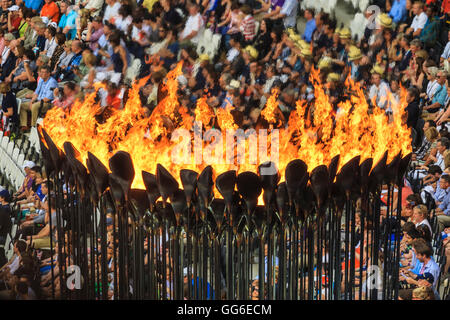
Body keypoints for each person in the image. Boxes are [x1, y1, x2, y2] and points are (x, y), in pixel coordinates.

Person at [19, 65, 57, 130]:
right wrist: (32, 101)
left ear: (48, 74)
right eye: (41, 72)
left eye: (43, 72)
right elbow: (36, 93)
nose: (41, 74)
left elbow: (47, 99)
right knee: (22, 106)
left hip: (47, 103)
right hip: (39, 101)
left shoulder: (52, 82)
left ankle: (33, 127)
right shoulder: (41, 80)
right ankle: (24, 126)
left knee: (35, 106)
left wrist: (34, 103)